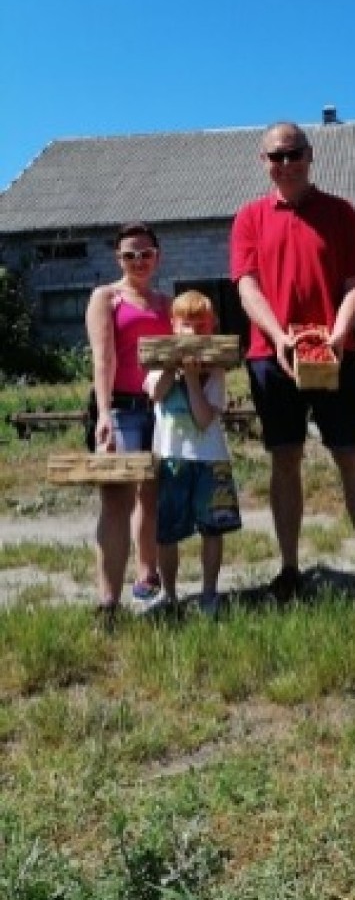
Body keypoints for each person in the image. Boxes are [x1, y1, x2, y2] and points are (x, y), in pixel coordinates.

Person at [230, 121, 355, 600]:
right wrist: (279, 336)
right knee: (285, 458)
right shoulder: (250, 217)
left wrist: (339, 333)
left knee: (350, 454)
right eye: (276, 156)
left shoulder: (340, 212)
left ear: (309, 155)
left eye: (293, 153)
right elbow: (246, 285)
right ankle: (290, 567)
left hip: (335, 354)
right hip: (271, 356)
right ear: (264, 163)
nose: (285, 163)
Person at [84, 222, 172, 616]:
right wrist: (103, 413)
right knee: (116, 499)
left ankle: (147, 574)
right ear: (118, 259)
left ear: (158, 257)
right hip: (119, 407)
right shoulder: (107, 298)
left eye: (146, 254)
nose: (139, 261)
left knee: (151, 496)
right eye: (129, 255)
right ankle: (108, 600)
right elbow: (103, 358)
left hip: (161, 408)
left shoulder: (167, 303)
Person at [143, 290, 242, 616]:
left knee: (213, 530)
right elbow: (156, 393)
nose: (194, 332)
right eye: (187, 324)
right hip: (172, 458)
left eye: (201, 326)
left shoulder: (215, 370)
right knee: (167, 532)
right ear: (174, 326)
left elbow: (203, 420)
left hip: (210, 458)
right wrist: (175, 368)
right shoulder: (157, 363)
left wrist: (194, 379)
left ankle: (209, 592)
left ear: (211, 328)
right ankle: (169, 595)